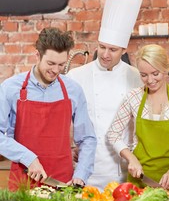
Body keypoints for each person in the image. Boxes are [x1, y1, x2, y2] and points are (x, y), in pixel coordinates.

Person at [0, 27, 97, 191]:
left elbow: (88, 138)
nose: (55, 70)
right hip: (23, 181)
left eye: (61, 65)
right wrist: (28, 158)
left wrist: (80, 175)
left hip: (62, 183)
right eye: (51, 63)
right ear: (37, 55)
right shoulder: (11, 88)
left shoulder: (73, 90)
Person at [67, 0, 143, 191]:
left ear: (124, 50)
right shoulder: (76, 76)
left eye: (113, 49)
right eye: (102, 47)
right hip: (87, 167)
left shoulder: (136, 76)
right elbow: (65, 118)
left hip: (123, 167)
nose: (105, 54)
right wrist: (70, 146)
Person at [107, 44, 169, 190]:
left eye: (155, 73)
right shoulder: (133, 97)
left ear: (166, 69)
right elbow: (113, 134)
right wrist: (132, 159)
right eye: (144, 75)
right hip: (140, 181)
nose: (150, 80)